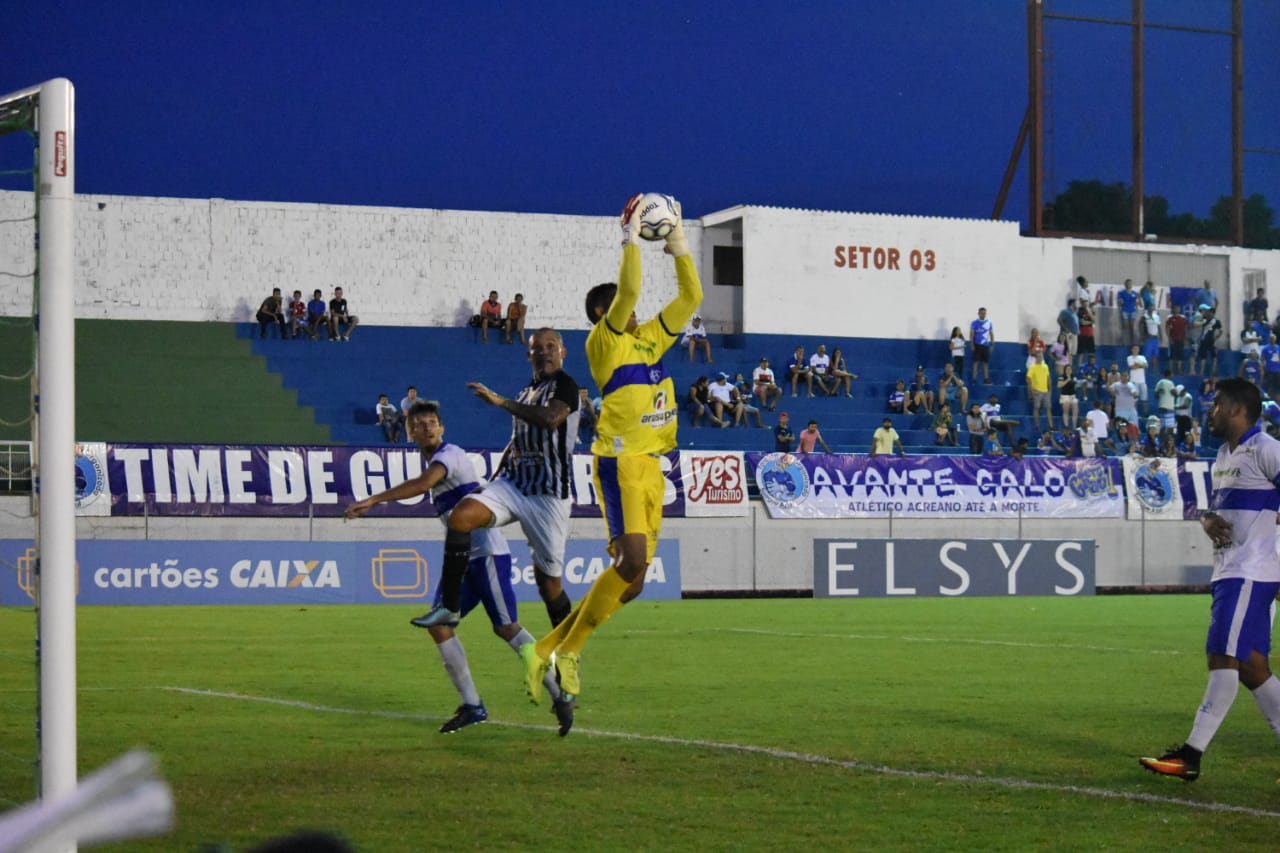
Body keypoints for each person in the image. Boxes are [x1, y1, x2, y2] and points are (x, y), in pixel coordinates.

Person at [520, 193, 701, 706]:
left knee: (635, 582)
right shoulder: (604, 343)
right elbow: (630, 290)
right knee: (632, 563)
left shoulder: (651, 341)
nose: (639, 311)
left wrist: (679, 243)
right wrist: (630, 239)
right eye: (626, 308)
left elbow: (691, 298)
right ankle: (569, 652)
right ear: (603, 314)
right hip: (619, 463)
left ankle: (547, 649)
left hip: (652, 466)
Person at [344, 400, 575, 735]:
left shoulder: (449, 455)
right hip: (465, 560)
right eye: (419, 423)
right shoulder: (440, 459)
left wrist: (374, 500)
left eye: (432, 422)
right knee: (440, 625)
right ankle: (472, 705)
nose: (426, 427)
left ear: (442, 428)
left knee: (507, 628)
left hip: (487, 555)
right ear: (408, 431)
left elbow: (424, 484)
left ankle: (559, 692)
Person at [1139, 378, 1280, 782]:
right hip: (1229, 572)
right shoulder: (1222, 455)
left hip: (1249, 573)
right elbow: (1222, 511)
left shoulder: (1267, 449)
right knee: (1253, 668)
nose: (1210, 410)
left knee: (1222, 658)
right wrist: (1205, 519)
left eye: (1216, 403)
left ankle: (1191, 755)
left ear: (1237, 409)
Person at [412, 327, 582, 642]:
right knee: (462, 516)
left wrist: (501, 402)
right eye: (538, 347)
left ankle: (569, 652)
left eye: (551, 345)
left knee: (549, 586)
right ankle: (449, 607)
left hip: (548, 497)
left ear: (563, 352)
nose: (544, 351)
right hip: (514, 485)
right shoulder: (525, 392)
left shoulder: (566, 386)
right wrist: (491, 481)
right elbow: (516, 442)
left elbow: (551, 419)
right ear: (529, 354)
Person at [1026, 352, 1052, 433]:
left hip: (1045, 390)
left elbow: (1048, 378)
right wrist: (1030, 392)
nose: (1039, 358)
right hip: (1036, 390)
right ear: (1036, 358)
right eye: (1038, 356)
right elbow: (1028, 379)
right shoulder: (1032, 367)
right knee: (1036, 407)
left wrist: (1049, 388)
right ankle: (1037, 425)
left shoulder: (1046, 366)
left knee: (1048, 408)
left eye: (1041, 356)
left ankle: (1051, 425)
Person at [1193, 305, 1222, 377]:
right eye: (1208, 312)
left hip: (1211, 340)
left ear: (1213, 313)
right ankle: (1201, 371)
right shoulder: (1204, 319)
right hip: (1203, 340)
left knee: (1214, 356)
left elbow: (1220, 331)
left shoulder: (1216, 321)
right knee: (1203, 356)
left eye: (1210, 313)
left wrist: (1216, 338)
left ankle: (1213, 371)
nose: (1209, 314)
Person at [969, 307, 994, 384]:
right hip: (977, 345)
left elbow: (991, 334)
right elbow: (971, 335)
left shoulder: (989, 322)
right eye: (981, 313)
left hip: (985, 346)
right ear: (978, 313)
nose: (983, 314)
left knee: (985, 363)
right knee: (975, 363)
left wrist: (992, 344)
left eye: (984, 313)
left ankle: (986, 379)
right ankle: (974, 379)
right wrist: (972, 344)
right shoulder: (974, 323)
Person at [1126, 345, 1149, 416]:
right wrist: (1141, 365)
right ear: (1132, 349)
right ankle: (1135, 414)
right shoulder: (1129, 358)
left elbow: (1146, 366)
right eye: (1134, 349)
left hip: (1142, 381)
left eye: (1137, 349)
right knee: (1134, 399)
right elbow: (1132, 367)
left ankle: (1146, 414)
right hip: (1134, 381)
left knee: (1145, 398)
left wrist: (1137, 364)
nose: (1136, 350)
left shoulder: (1142, 357)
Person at [1165, 304, 1189, 374]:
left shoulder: (1183, 318)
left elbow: (1186, 328)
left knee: (1180, 355)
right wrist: (1169, 338)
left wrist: (1185, 338)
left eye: (1178, 308)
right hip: (1173, 339)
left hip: (1181, 339)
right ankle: (1170, 370)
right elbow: (1167, 328)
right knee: (1172, 355)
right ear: (1174, 309)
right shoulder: (1170, 318)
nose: (1177, 310)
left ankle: (1179, 369)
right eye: (1176, 308)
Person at [1057, 299, 1080, 368]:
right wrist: (1066, 329)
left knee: (1072, 353)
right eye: (1076, 304)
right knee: (1066, 352)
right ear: (1072, 304)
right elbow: (1059, 320)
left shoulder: (1074, 313)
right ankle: (1064, 369)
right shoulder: (1065, 311)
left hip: (1075, 335)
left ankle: (1069, 369)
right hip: (1067, 334)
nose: (1077, 305)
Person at [1118, 279, 1140, 347]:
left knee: (1132, 327)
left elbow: (1137, 302)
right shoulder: (1122, 293)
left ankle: (1132, 342)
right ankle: (1123, 341)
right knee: (1125, 326)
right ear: (1125, 284)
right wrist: (1121, 303)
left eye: (1130, 283)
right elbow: (1120, 302)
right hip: (1125, 311)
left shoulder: (1134, 293)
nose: (1129, 285)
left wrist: (1137, 309)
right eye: (1128, 283)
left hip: (1132, 311)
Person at [1057, 364, 1079, 430]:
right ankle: (1066, 425)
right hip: (1064, 396)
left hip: (1072, 395)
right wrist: (1067, 380)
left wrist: (1077, 385)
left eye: (1070, 369)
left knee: (1075, 404)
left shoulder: (1074, 377)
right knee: (1066, 403)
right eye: (1067, 369)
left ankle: (1074, 425)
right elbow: (1059, 386)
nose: (1069, 371)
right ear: (1065, 370)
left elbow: (1075, 387)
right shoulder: (1062, 377)